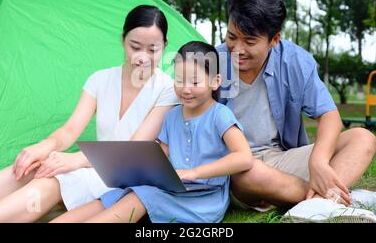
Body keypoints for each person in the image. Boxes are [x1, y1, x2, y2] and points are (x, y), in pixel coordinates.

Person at [0, 5, 179, 222]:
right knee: (37, 164)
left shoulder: (168, 89)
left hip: (127, 175)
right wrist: (44, 146)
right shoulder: (100, 79)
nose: (142, 57)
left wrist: (77, 159)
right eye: (135, 47)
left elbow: (134, 149)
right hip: (94, 166)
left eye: (153, 50)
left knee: (51, 180)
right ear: (123, 39)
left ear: (165, 46)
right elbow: (70, 130)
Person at [216, 0, 376, 222]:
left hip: (282, 160)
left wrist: (318, 161)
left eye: (250, 41)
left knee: (363, 138)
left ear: (274, 39)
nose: (237, 50)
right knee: (247, 174)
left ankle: (317, 204)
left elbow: (330, 116)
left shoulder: (294, 61)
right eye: (232, 37)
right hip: (236, 166)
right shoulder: (212, 62)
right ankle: (341, 201)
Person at [50, 41, 254, 223]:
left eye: (194, 82)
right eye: (180, 80)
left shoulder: (220, 115)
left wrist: (194, 173)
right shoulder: (173, 116)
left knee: (140, 196)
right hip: (174, 187)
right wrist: (140, 165)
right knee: (115, 195)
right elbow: (163, 152)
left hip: (204, 198)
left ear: (215, 81)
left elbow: (244, 157)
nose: (186, 89)